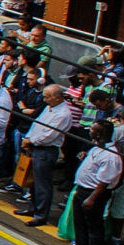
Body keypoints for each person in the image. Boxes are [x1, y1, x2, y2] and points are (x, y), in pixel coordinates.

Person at [65, 131, 124, 245]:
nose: (91, 132)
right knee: (79, 222)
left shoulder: (111, 155)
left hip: (94, 193)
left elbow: (105, 181)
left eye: (94, 130)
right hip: (82, 189)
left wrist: (92, 198)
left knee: (93, 226)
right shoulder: (97, 147)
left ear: (100, 134)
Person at [18, 84, 73, 226]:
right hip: (35, 146)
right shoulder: (49, 107)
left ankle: (41, 215)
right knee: (33, 181)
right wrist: (28, 140)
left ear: (58, 98)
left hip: (46, 150)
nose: (44, 99)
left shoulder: (63, 114)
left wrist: (31, 141)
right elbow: (37, 125)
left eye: (47, 97)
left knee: (43, 184)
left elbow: (49, 136)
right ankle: (33, 208)